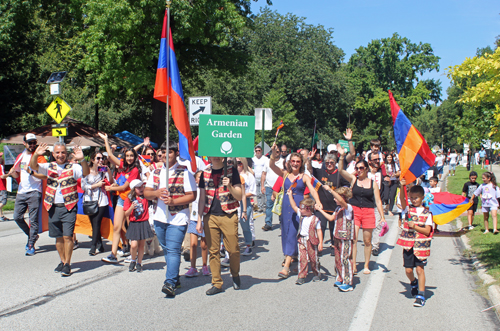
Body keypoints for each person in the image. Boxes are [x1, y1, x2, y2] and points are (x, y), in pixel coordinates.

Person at [145, 141, 196, 297]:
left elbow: (192, 195)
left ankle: (169, 283)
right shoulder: (156, 172)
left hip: (178, 217)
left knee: (173, 250)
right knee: (167, 249)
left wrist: (173, 201)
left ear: (176, 154)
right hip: (160, 217)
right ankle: (175, 278)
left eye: (170, 152)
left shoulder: (185, 172)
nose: (166, 155)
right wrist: (156, 193)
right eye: (163, 152)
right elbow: (146, 192)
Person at [31, 142, 89, 276]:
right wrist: (36, 155)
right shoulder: (48, 166)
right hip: (52, 206)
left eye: (63, 152)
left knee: (68, 236)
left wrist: (82, 159)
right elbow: (34, 166)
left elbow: (85, 173)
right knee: (58, 238)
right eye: (57, 152)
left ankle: (68, 264)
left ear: (67, 154)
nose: (60, 155)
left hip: (69, 206)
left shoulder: (73, 167)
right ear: (53, 154)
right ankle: (63, 261)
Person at [269, 143, 322, 279]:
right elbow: (271, 166)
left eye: (298, 161)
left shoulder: (304, 176)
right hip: (285, 206)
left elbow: (312, 190)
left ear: (301, 163)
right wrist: (273, 152)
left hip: (298, 207)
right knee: (285, 233)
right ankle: (292, 256)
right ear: (289, 162)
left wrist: (318, 202)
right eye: (293, 161)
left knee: (293, 233)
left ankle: (286, 267)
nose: (295, 164)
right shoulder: (285, 174)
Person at [196, 156, 243, 295]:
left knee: (233, 249)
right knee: (213, 251)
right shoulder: (204, 173)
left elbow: (239, 196)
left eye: (218, 154)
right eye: (212, 154)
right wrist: (199, 219)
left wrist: (229, 186)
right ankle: (216, 282)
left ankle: (235, 274)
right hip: (210, 216)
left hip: (228, 214)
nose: (215, 157)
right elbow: (202, 198)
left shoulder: (232, 171)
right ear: (209, 157)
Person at [338, 144, 385, 274]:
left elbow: (378, 201)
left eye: (361, 168)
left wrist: (382, 216)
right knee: (353, 239)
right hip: (355, 211)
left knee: (367, 241)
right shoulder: (353, 180)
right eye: (357, 168)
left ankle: (366, 265)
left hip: (369, 212)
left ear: (366, 169)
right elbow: (341, 171)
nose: (359, 170)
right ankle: (353, 265)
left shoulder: (372, 183)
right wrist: (342, 156)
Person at [99, 132, 142, 263]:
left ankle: (135, 254)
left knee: (133, 228)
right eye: (127, 156)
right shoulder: (123, 166)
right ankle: (113, 254)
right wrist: (106, 140)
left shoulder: (135, 170)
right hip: (121, 200)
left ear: (134, 157)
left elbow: (124, 188)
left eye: (131, 156)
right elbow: (110, 155)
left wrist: (111, 188)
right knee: (117, 227)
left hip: (132, 200)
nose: (129, 158)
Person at [6, 134, 47, 254]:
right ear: (24, 143)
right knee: (17, 217)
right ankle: (32, 236)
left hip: (35, 191)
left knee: (33, 220)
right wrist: (13, 173)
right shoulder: (21, 156)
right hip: (21, 191)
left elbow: (45, 174)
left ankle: (30, 245)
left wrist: (31, 172)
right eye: (30, 143)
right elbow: (17, 174)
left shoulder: (39, 157)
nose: (32, 145)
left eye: (34, 142)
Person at [396, 179, 434, 307]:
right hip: (408, 245)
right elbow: (402, 199)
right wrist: (402, 186)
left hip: (421, 246)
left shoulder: (427, 213)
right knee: (408, 270)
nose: (413, 200)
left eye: (416, 198)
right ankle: (413, 282)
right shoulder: (407, 210)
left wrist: (415, 226)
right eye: (411, 198)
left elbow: (427, 231)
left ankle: (421, 295)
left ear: (422, 198)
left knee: (420, 269)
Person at [309, 152, 350, 255]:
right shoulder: (320, 172)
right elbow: (310, 169)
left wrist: (339, 192)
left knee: (334, 228)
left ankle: (333, 245)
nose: (329, 164)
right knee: (320, 226)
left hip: (335, 207)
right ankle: (319, 245)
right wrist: (309, 159)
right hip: (321, 207)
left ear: (335, 163)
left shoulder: (339, 174)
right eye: (327, 163)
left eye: (331, 162)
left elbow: (346, 186)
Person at [317, 187, 355, 292]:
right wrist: (320, 210)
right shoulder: (338, 209)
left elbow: (342, 201)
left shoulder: (348, 208)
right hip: (337, 237)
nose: (334, 199)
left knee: (345, 259)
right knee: (338, 259)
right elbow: (331, 218)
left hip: (345, 238)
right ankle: (340, 277)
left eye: (336, 197)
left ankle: (348, 282)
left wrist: (330, 190)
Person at [81, 151, 114, 255]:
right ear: (92, 160)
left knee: (97, 222)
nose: (101, 160)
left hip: (101, 200)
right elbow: (83, 186)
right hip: (89, 201)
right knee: (93, 223)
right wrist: (96, 185)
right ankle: (100, 244)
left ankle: (93, 246)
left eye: (102, 158)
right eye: (98, 158)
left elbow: (112, 182)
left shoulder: (103, 170)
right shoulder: (87, 171)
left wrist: (108, 172)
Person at [286, 193, 322, 285]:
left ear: (308, 209)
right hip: (301, 240)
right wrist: (290, 195)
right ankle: (301, 276)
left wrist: (320, 243)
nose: (300, 210)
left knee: (313, 259)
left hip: (312, 241)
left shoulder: (316, 219)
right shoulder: (302, 216)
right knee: (302, 259)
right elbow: (294, 206)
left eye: (302, 209)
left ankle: (317, 273)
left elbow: (319, 231)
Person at [124, 179, 154, 272]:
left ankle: (139, 263)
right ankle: (133, 260)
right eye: (138, 187)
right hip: (134, 223)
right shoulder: (129, 199)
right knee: (133, 245)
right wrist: (131, 207)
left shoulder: (145, 197)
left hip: (144, 222)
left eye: (142, 186)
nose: (141, 189)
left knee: (141, 245)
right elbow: (126, 214)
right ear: (133, 189)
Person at [185, 171, 210, 277]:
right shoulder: (192, 188)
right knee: (193, 244)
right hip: (194, 218)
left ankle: (205, 265)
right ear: (195, 179)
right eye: (199, 177)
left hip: (204, 218)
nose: (201, 179)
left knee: (204, 245)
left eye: (203, 177)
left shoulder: (207, 189)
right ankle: (193, 267)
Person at [237, 157, 256, 256]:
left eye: (239, 163)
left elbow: (252, 192)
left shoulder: (249, 176)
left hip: (245, 202)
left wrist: (241, 194)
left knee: (245, 225)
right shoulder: (233, 175)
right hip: (233, 203)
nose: (237, 165)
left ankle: (248, 245)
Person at [260, 147, 281, 231]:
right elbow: (264, 174)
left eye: (278, 151)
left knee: (281, 206)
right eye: (274, 151)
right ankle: (268, 223)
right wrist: (262, 185)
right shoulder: (267, 162)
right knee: (269, 205)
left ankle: (282, 223)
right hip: (269, 187)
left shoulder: (283, 162)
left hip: (280, 187)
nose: (276, 153)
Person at [252, 146, 268, 213]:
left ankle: (264, 206)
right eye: (256, 151)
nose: (258, 152)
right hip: (255, 177)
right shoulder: (253, 159)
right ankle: (260, 206)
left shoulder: (265, 159)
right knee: (257, 193)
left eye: (259, 150)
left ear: (261, 151)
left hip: (263, 178)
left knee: (263, 193)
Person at [0, 156, 9, 221]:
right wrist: (9, 174)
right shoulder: (1, 166)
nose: (2, 158)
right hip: (1, 186)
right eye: (0, 157)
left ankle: (1, 216)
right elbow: (2, 176)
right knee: (3, 201)